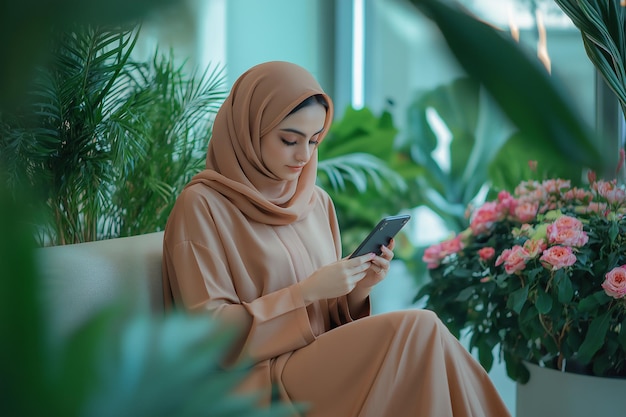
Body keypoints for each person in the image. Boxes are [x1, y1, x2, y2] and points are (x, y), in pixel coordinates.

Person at [162, 61, 512, 417]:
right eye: (289, 140)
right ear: (250, 130)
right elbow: (208, 338)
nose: (303, 156)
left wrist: (358, 288)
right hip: (257, 379)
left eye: (314, 141)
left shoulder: (315, 202)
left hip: (319, 360)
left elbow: (329, 318)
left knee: (426, 335)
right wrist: (305, 293)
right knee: (420, 329)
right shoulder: (202, 206)